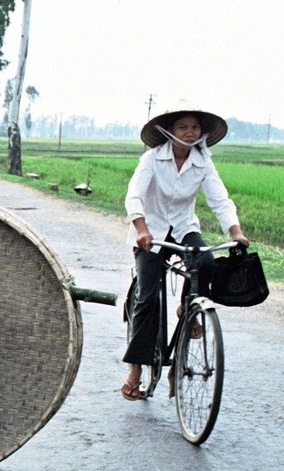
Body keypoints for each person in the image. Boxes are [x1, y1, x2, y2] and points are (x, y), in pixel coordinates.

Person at [121, 108, 250, 400]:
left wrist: (235, 232)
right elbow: (134, 196)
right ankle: (136, 368)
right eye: (183, 127)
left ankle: (187, 310)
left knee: (205, 262)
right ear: (170, 131)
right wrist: (141, 229)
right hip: (150, 232)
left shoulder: (202, 162)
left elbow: (220, 199)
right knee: (147, 294)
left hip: (182, 227)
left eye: (194, 127)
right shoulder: (152, 159)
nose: (190, 132)